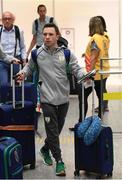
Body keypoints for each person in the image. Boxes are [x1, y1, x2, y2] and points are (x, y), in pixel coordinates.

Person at [16, 23, 85, 176]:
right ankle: (59, 161)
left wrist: (84, 76)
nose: (47, 37)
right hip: (46, 98)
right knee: (52, 131)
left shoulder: (66, 54)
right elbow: (29, 68)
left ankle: (45, 148)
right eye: (45, 34)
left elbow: (76, 68)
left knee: (58, 128)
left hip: (63, 98)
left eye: (50, 34)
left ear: (57, 36)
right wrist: (22, 74)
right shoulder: (36, 54)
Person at [78, 16, 110, 121]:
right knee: (101, 95)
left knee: (82, 95)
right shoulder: (105, 37)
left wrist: (88, 76)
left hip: (95, 73)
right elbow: (100, 53)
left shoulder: (95, 39)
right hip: (104, 71)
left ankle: (81, 122)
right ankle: (100, 119)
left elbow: (93, 58)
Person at [0, 11, 27, 86]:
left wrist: (24, 60)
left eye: (9, 18)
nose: (7, 20)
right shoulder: (0, 31)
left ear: (13, 20)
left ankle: (16, 98)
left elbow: (22, 47)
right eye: (5, 19)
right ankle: (5, 98)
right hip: (2, 62)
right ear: (2, 20)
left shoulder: (18, 31)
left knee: (18, 84)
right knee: (3, 84)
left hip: (16, 60)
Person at [94, 15, 110, 113]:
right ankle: (104, 105)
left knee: (100, 88)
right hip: (105, 65)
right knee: (102, 88)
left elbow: (100, 50)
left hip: (100, 67)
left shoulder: (100, 37)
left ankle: (103, 106)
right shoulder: (106, 36)